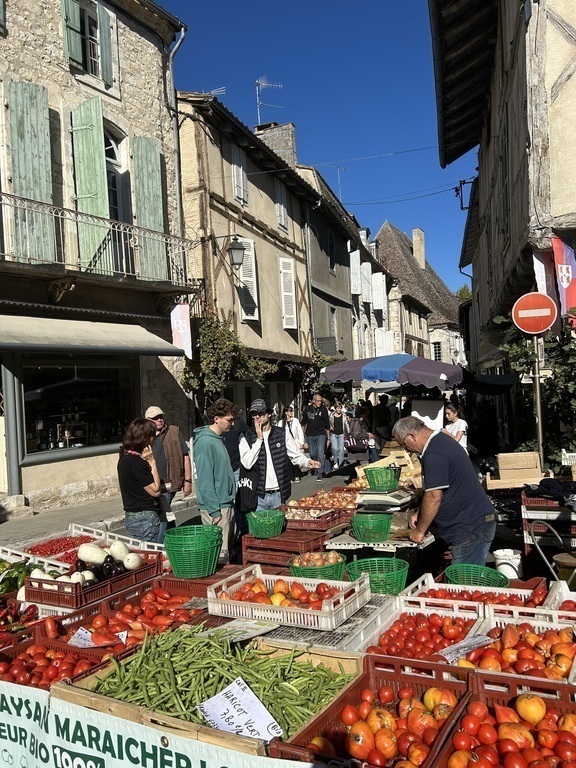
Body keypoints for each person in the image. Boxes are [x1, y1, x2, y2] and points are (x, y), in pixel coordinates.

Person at [392, 416, 496, 566]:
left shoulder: (434, 453)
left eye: (403, 444)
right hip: (472, 523)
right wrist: (421, 512)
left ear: (411, 436)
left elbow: (434, 496)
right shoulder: (441, 440)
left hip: (470, 527)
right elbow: (441, 488)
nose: (405, 449)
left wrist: (419, 531)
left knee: (464, 584)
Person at [240, 398, 320, 509]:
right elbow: (247, 463)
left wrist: (307, 462)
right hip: (258, 495)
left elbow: (295, 455)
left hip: (279, 493)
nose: (257, 417)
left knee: (280, 526)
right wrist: (259, 439)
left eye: (261, 413)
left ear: (268, 414)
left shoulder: (282, 433)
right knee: (260, 526)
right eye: (254, 415)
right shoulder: (246, 436)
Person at [192, 398, 237, 565]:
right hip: (217, 508)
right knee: (219, 558)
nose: (232, 423)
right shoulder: (205, 442)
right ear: (216, 418)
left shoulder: (217, 439)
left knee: (225, 557)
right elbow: (204, 481)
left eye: (233, 420)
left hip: (224, 503)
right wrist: (215, 512)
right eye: (229, 419)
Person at [145, 405, 192, 539]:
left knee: (162, 515)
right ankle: (174, 539)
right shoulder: (144, 436)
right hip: (152, 483)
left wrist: (188, 481)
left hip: (170, 482)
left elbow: (185, 457)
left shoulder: (174, 431)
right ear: (148, 420)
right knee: (166, 513)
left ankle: (158, 547)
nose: (160, 420)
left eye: (161, 417)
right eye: (155, 418)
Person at [117, 418, 163, 542]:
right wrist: (152, 462)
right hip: (144, 517)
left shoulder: (124, 458)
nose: (154, 440)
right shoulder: (137, 462)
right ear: (145, 438)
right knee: (148, 555)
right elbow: (155, 490)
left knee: (140, 554)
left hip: (132, 515)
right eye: (152, 436)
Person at [301, 393, 330, 481]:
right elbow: (303, 422)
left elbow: (327, 424)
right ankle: (315, 466)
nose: (320, 402)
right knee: (313, 453)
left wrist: (328, 438)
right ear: (314, 401)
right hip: (310, 434)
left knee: (320, 453)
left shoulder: (323, 409)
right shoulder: (308, 409)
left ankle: (320, 472)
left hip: (321, 434)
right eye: (318, 401)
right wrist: (302, 435)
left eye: (321, 401)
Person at [277, 406, 306, 483]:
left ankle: (297, 475)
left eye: (292, 411)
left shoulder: (295, 421)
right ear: (286, 412)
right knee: (288, 461)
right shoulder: (281, 423)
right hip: (286, 445)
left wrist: (301, 443)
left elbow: (300, 432)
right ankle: (291, 476)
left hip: (295, 443)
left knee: (295, 459)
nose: (291, 412)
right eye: (290, 411)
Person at [329, 402, 348, 470]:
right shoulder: (331, 415)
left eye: (340, 408)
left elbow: (346, 425)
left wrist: (348, 433)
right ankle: (335, 462)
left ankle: (341, 463)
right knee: (334, 448)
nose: (339, 410)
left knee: (341, 450)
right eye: (338, 408)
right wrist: (330, 427)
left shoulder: (344, 416)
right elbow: (328, 423)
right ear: (335, 408)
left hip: (341, 434)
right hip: (333, 434)